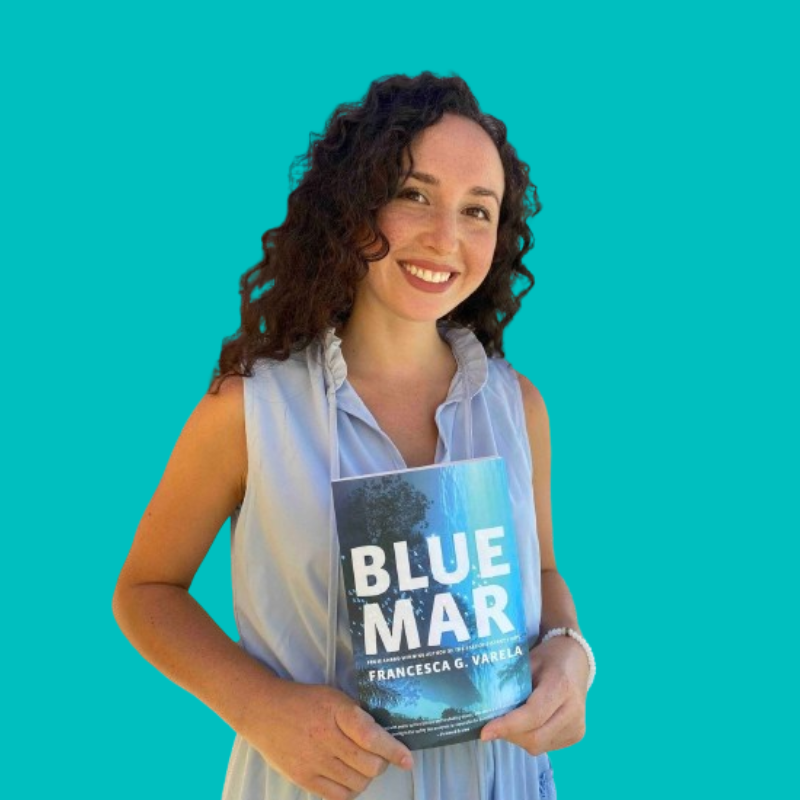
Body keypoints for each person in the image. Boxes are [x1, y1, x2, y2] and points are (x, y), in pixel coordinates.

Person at [113, 72, 594, 800]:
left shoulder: (518, 405)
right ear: (356, 201)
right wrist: (260, 708)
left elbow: (546, 578)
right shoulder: (250, 410)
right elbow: (146, 590)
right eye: (414, 195)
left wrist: (571, 656)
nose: (446, 237)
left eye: (477, 210)